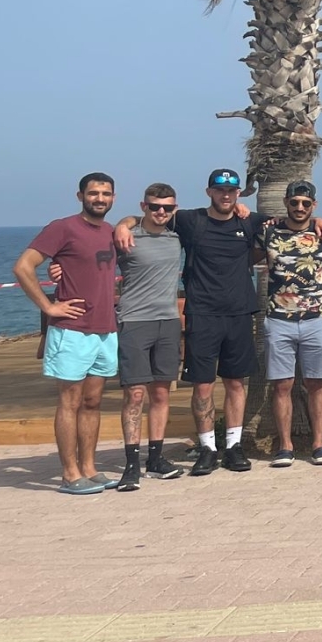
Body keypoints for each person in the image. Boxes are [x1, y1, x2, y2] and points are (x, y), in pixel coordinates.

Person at [116, 168, 289, 476]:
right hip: (201, 314)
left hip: (239, 313)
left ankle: (233, 446)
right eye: (220, 190)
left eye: (231, 190)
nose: (226, 195)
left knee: (235, 383)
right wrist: (122, 224)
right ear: (209, 192)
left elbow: (291, 221)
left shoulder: (249, 222)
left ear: (238, 193)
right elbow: (148, 215)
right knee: (203, 385)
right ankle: (208, 448)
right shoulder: (189, 220)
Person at [13, 173, 119, 494]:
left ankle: (89, 468)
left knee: (93, 401)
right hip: (72, 330)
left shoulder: (112, 231)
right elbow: (23, 267)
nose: (99, 198)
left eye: (106, 193)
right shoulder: (63, 227)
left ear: (113, 198)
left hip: (105, 329)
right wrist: (48, 306)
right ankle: (69, 474)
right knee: (69, 402)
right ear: (80, 196)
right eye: (93, 193)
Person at [256, 181, 322, 467]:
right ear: (286, 203)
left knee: (316, 383)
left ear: (314, 205)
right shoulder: (268, 232)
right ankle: (285, 446)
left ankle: (319, 444)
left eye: (305, 203)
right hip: (279, 320)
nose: (299, 207)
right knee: (282, 385)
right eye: (294, 202)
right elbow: (243, 257)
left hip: (315, 320)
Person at [114, 182, 185, 485]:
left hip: (168, 322)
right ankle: (131, 463)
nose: (161, 212)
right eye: (154, 206)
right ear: (144, 206)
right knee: (135, 394)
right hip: (134, 322)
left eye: (167, 207)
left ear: (174, 209)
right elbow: (91, 261)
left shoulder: (177, 237)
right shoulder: (126, 237)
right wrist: (123, 224)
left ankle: (155, 459)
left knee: (161, 393)